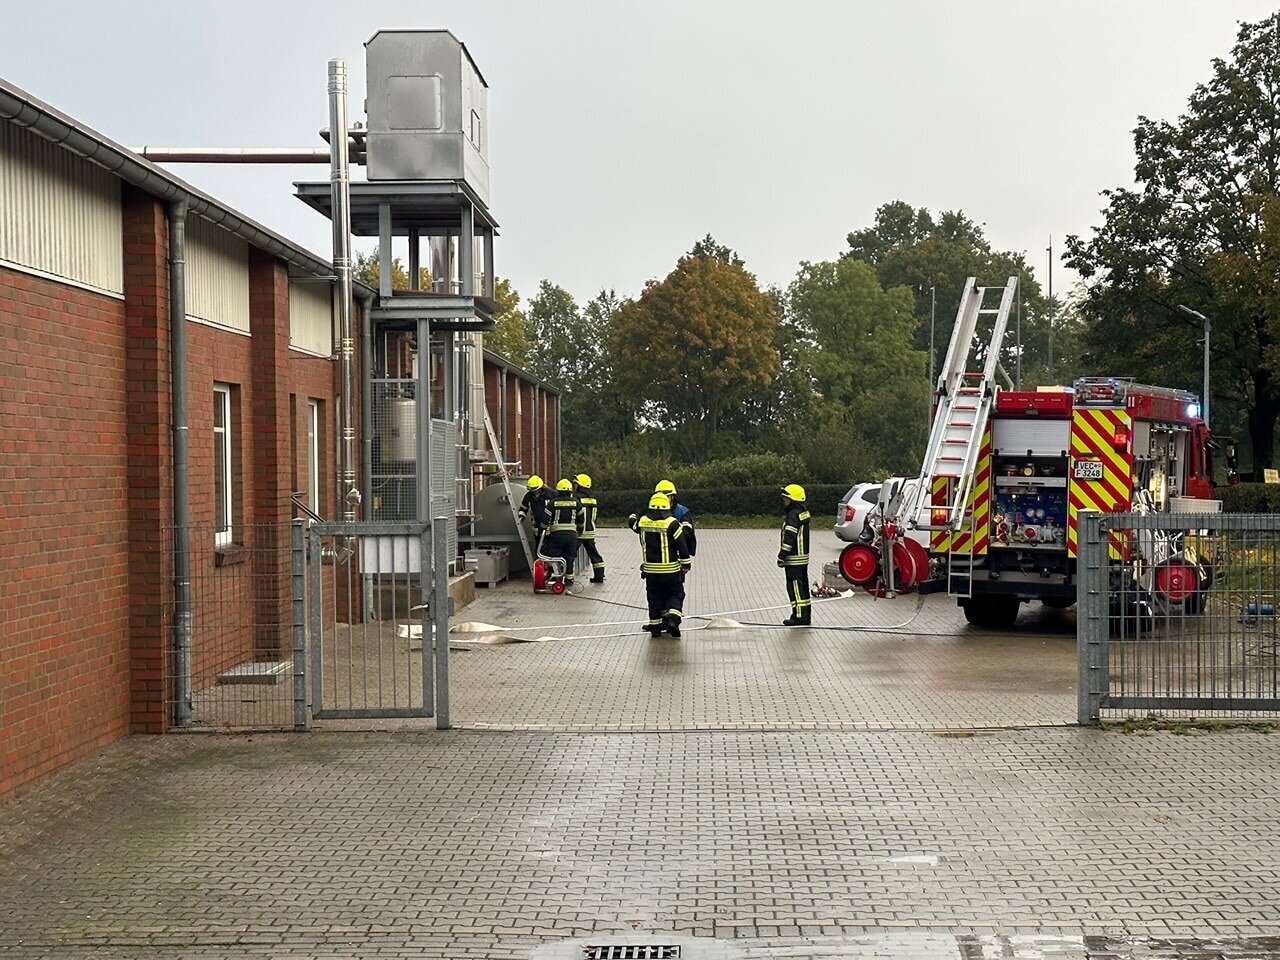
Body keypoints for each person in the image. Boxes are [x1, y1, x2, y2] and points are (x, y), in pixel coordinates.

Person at [628, 492, 692, 637]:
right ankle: (673, 620)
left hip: (651, 572)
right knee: (675, 594)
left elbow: (633, 524)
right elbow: (681, 545)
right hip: (671, 571)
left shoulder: (643, 522)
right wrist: (686, 563)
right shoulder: (672, 523)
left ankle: (655, 627)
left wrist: (631, 517)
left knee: (654, 598)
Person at [778, 483, 812, 626]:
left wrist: (782, 555)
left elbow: (789, 537)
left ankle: (799, 617)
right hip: (802, 557)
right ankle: (805, 615)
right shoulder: (803, 513)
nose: (784, 501)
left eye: (786, 498)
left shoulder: (792, 515)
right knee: (802, 587)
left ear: (792, 500)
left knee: (795, 588)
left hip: (793, 558)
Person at [544, 478, 583, 587]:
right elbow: (581, 520)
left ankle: (557, 578)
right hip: (571, 535)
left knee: (555, 556)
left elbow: (545, 519)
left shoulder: (553, 503)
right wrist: (580, 530)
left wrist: (543, 530)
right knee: (570, 557)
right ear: (570, 491)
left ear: (558, 491)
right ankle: (569, 580)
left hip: (556, 534)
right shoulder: (576, 503)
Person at [574, 473, 605, 582]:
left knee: (571, 553)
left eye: (576, 484)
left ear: (580, 485)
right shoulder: (592, 499)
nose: (575, 486)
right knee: (594, 554)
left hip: (579, 531)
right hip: (590, 530)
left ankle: (567, 576)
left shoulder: (576, 498)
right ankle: (599, 575)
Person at [654, 479, 697, 557]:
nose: (663, 499)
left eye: (666, 496)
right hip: (658, 555)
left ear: (672, 497)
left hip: (677, 554)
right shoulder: (653, 512)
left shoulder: (682, 512)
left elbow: (687, 533)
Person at [517, 475, 550, 547]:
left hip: (549, 529)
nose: (534, 492)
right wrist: (520, 517)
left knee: (549, 550)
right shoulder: (528, 496)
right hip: (536, 528)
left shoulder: (549, 494)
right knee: (538, 548)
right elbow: (523, 508)